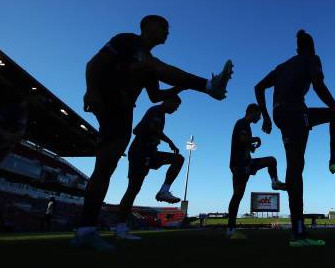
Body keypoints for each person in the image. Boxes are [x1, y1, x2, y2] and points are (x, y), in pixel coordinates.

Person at [73, 15, 234, 251]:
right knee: (106, 167)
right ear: (147, 27)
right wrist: (91, 91)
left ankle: (94, 230)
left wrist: (184, 86)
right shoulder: (127, 41)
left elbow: (155, 96)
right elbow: (93, 64)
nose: (167, 32)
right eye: (164, 27)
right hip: (110, 100)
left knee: (107, 167)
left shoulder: (150, 65)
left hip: (125, 109)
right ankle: (210, 86)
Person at [255, 29, 335, 247]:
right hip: (295, 112)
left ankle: (297, 233)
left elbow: (258, 87)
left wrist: (267, 118)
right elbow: (319, 86)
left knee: (295, 167)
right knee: (334, 114)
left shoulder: (283, 66)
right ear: (313, 48)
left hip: (282, 115)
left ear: (297, 48)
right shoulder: (312, 58)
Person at [115, 95, 185, 240]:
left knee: (178, 159)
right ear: (168, 100)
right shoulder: (157, 110)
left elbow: (144, 129)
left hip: (149, 152)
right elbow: (148, 129)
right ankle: (120, 229)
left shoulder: (160, 113)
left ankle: (164, 191)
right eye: (176, 105)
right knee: (133, 188)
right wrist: (169, 141)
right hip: (140, 151)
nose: (176, 109)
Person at [227, 104, 286, 240]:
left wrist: (253, 146)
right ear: (251, 112)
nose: (259, 118)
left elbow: (245, 145)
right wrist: (256, 139)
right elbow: (243, 139)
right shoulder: (242, 123)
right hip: (239, 164)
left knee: (271, 160)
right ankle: (230, 229)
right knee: (237, 196)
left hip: (247, 162)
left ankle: (275, 182)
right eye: (258, 115)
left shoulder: (247, 126)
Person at [0, 92, 47, 200]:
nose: (40, 105)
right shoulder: (13, 108)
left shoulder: (24, 119)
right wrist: (6, 135)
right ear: (30, 96)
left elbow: (13, 141)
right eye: (39, 100)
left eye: (42, 104)